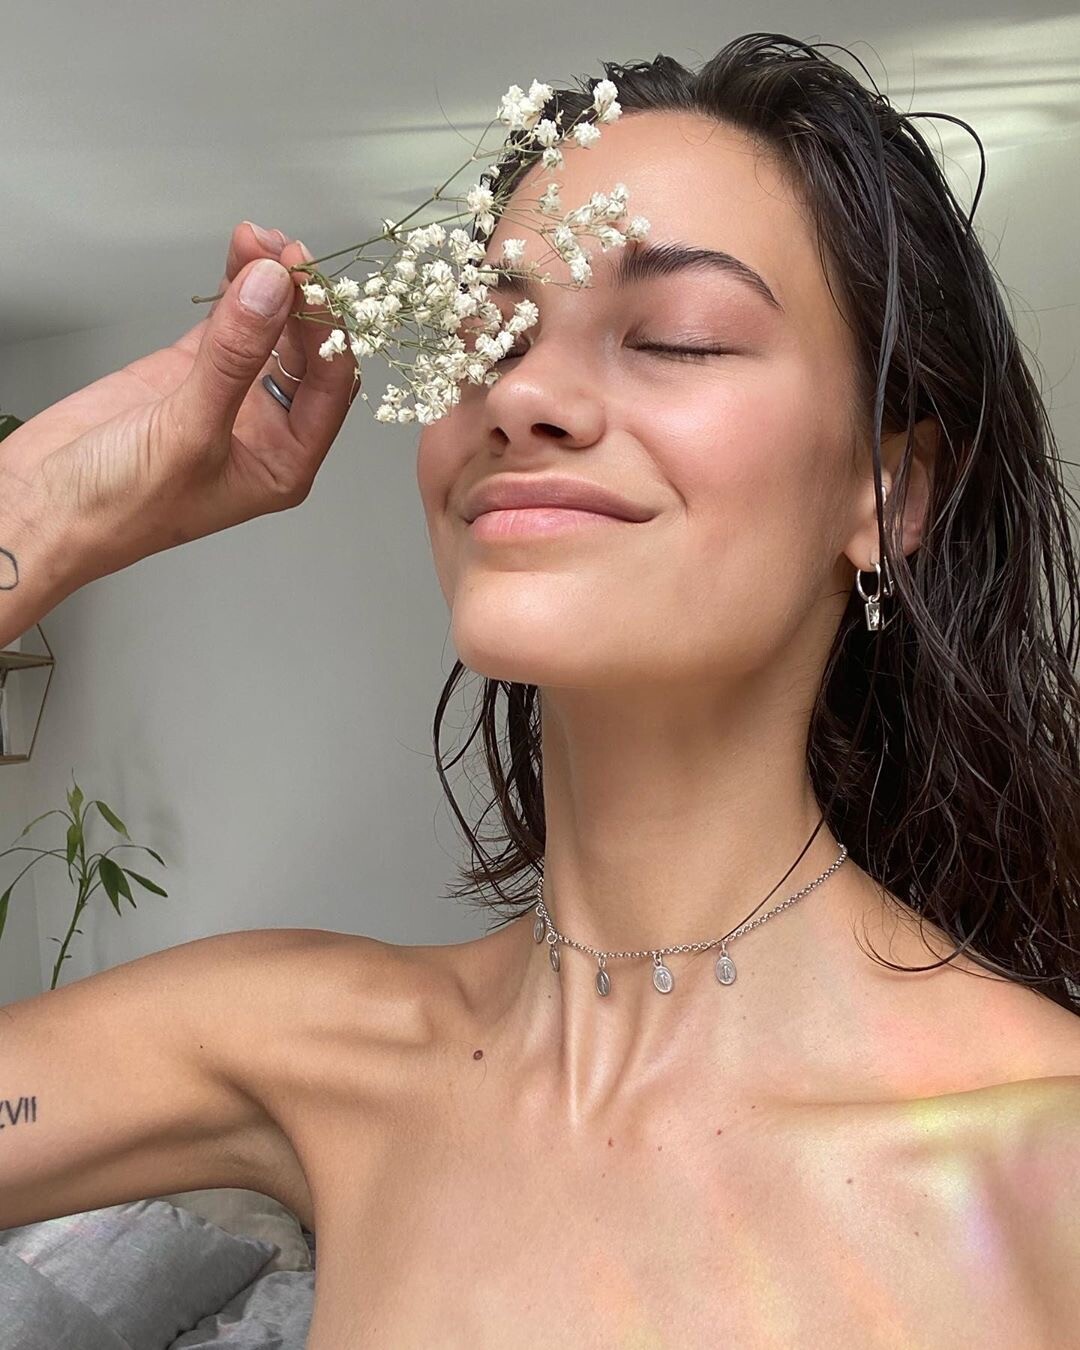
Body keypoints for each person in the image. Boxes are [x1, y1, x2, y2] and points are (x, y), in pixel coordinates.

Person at [3, 32, 1079, 1346]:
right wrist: (41, 509)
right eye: (491, 338)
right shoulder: (312, 1053)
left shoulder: (1042, 1167)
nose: (523, 394)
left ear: (887, 491)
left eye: (676, 337)